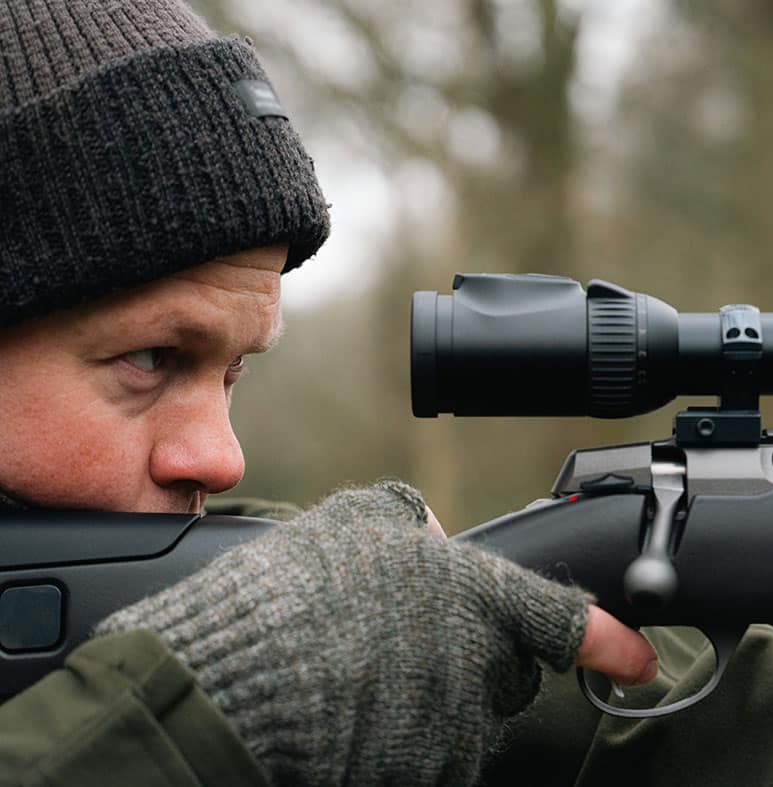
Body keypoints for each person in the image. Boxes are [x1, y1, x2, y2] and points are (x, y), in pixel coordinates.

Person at [0, 0, 661, 783]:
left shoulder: (286, 593)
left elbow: (663, 711)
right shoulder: (249, 639)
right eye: (150, 357)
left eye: (233, 372)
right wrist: (204, 704)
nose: (221, 458)